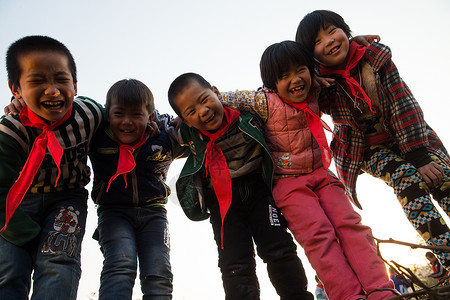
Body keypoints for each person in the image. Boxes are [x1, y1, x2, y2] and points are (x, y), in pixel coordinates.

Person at [220, 41, 395, 300]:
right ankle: (349, 296)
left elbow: (338, 56)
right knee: (319, 236)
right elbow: (225, 98)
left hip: (322, 176)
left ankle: (381, 290)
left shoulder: (317, 88)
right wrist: (189, 113)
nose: (295, 80)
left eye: (300, 70)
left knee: (351, 226)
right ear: (271, 84)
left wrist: (357, 41)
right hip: (290, 185)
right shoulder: (263, 101)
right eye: (284, 76)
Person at [295, 9, 450, 269]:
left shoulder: (375, 59)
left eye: (332, 31)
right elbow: (291, 89)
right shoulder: (320, 83)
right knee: (404, 176)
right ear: (311, 55)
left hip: (409, 135)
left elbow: (404, 105)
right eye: (317, 42)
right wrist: (311, 74)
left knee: (440, 175)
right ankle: (447, 253)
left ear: (346, 31)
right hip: (365, 148)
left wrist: (420, 156)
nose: (329, 41)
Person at [167, 73, 314, 300]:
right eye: (191, 112)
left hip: (259, 192)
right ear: (185, 120)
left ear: (217, 92)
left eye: (204, 99)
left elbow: (272, 93)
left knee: (279, 248)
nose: (203, 111)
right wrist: (176, 122)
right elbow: (158, 126)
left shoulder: (246, 115)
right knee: (234, 262)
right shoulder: (188, 133)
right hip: (222, 202)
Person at [0, 35, 105, 299]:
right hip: (15, 205)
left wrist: (151, 121)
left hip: (67, 198)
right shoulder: (10, 131)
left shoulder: (90, 114)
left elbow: (126, 121)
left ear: (76, 84)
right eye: (36, 81)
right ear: (16, 89)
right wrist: (29, 237)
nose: (53, 90)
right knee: (10, 267)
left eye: (62, 79)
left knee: (59, 263)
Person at [89, 78, 188, 299]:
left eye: (136, 115)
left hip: (154, 214)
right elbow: (69, 121)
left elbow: (192, 130)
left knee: (158, 272)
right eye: (119, 114)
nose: (127, 122)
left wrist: (168, 122)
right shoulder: (98, 138)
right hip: (113, 213)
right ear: (107, 115)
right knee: (120, 265)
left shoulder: (163, 139)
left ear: (149, 117)